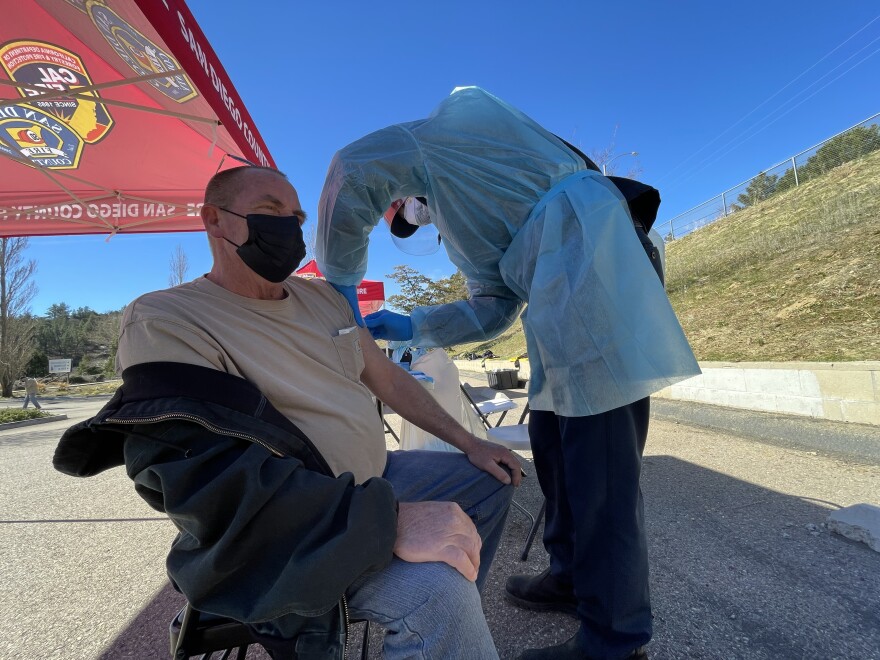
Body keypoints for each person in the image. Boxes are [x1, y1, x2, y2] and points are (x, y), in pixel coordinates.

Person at [53, 165, 523, 660]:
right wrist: (385, 522)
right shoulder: (167, 318)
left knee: (492, 476)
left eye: (296, 217)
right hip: (295, 520)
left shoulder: (323, 299)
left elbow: (386, 378)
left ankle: (452, 619)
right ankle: (419, 609)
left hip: (374, 480)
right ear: (214, 220)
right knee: (436, 593)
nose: (289, 229)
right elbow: (207, 479)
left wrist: (470, 441)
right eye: (269, 213)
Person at [317, 87, 701, 660]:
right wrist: (413, 326)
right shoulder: (466, 210)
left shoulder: (445, 140)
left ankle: (614, 640)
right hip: (558, 303)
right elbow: (495, 306)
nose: (413, 219)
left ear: (398, 196)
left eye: (400, 211)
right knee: (553, 446)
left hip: (590, 270)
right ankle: (570, 575)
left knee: (601, 472)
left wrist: (340, 282)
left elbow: (354, 169)